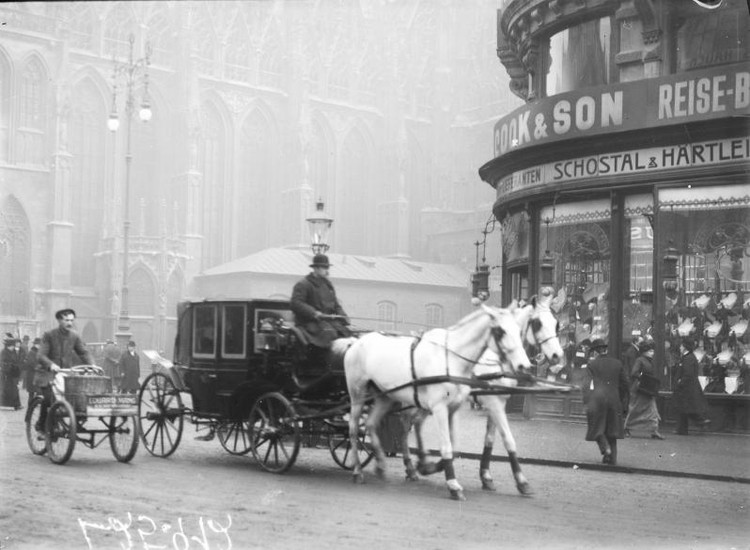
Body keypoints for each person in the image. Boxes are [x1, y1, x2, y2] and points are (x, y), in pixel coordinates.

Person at [34, 308, 94, 438]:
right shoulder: (49, 335)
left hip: (64, 373)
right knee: (49, 398)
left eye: (72, 320)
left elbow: (83, 352)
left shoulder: (74, 336)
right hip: (46, 373)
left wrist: (92, 365)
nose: (70, 323)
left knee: (78, 396)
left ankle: (76, 423)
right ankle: (41, 426)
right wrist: (51, 365)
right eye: (66, 320)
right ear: (59, 320)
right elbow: (40, 355)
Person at [290, 253, 352, 366]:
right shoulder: (303, 284)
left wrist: (343, 316)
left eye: (327, 267)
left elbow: (336, 304)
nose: (327, 271)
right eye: (325, 268)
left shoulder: (328, 285)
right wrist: (314, 313)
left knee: (346, 333)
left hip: (328, 321)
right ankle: (321, 364)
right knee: (330, 334)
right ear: (316, 268)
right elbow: (296, 303)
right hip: (309, 322)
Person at [582, 338, 629, 465]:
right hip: (614, 400)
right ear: (605, 350)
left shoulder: (592, 365)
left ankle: (605, 449)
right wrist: (620, 398)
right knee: (612, 431)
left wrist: (586, 400)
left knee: (596, 427)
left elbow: (586, 385)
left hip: (597, 400)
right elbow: (625, 384)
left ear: (596, 352)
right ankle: (611, 459)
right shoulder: (617, 363)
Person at [623, 341, 665, 440]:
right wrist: (643, 377)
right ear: (644, 352)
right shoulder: (640, 360)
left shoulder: (647, 360)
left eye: (652, 350)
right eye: (650, 351)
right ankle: (626, 428)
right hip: (640, 389)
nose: (652, 352)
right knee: (636, 409)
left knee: (652, 410)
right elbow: (634, 373)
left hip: (646, 389)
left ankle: (654, 430)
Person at [673, 339, 711, 435]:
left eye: (681, 346)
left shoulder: (688, 358)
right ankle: (683, 428)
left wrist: (680, 382)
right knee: (685, 409)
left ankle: (697, 424)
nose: (680, 347)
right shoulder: (687, 357)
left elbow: (688, 374)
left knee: (685, 408)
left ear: (685, 347)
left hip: (687, 389)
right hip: (687, 388)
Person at [0, 335, 22, 410]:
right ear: (8, 346)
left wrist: (16, 367)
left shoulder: (13, 352)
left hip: (13, 374)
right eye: (12, 346)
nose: (13, 347)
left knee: (14, 390)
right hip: (6, 375)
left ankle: (16, 405)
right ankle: (12, 405)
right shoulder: (3, 352)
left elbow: (16, 361)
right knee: (7, 390)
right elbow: (3, 363)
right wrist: (11, 366)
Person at [22, 338, 41, 407]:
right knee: (32, 391)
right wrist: (37, 367)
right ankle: (30, 404)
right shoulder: (32, 352)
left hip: (37, 374)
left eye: (40, 344)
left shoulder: (39, 352)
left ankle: (35, 403)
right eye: (38, 344)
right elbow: (31, 363)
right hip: (31, 374)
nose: (39, 346)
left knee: (38, 390)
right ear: (35, 345)